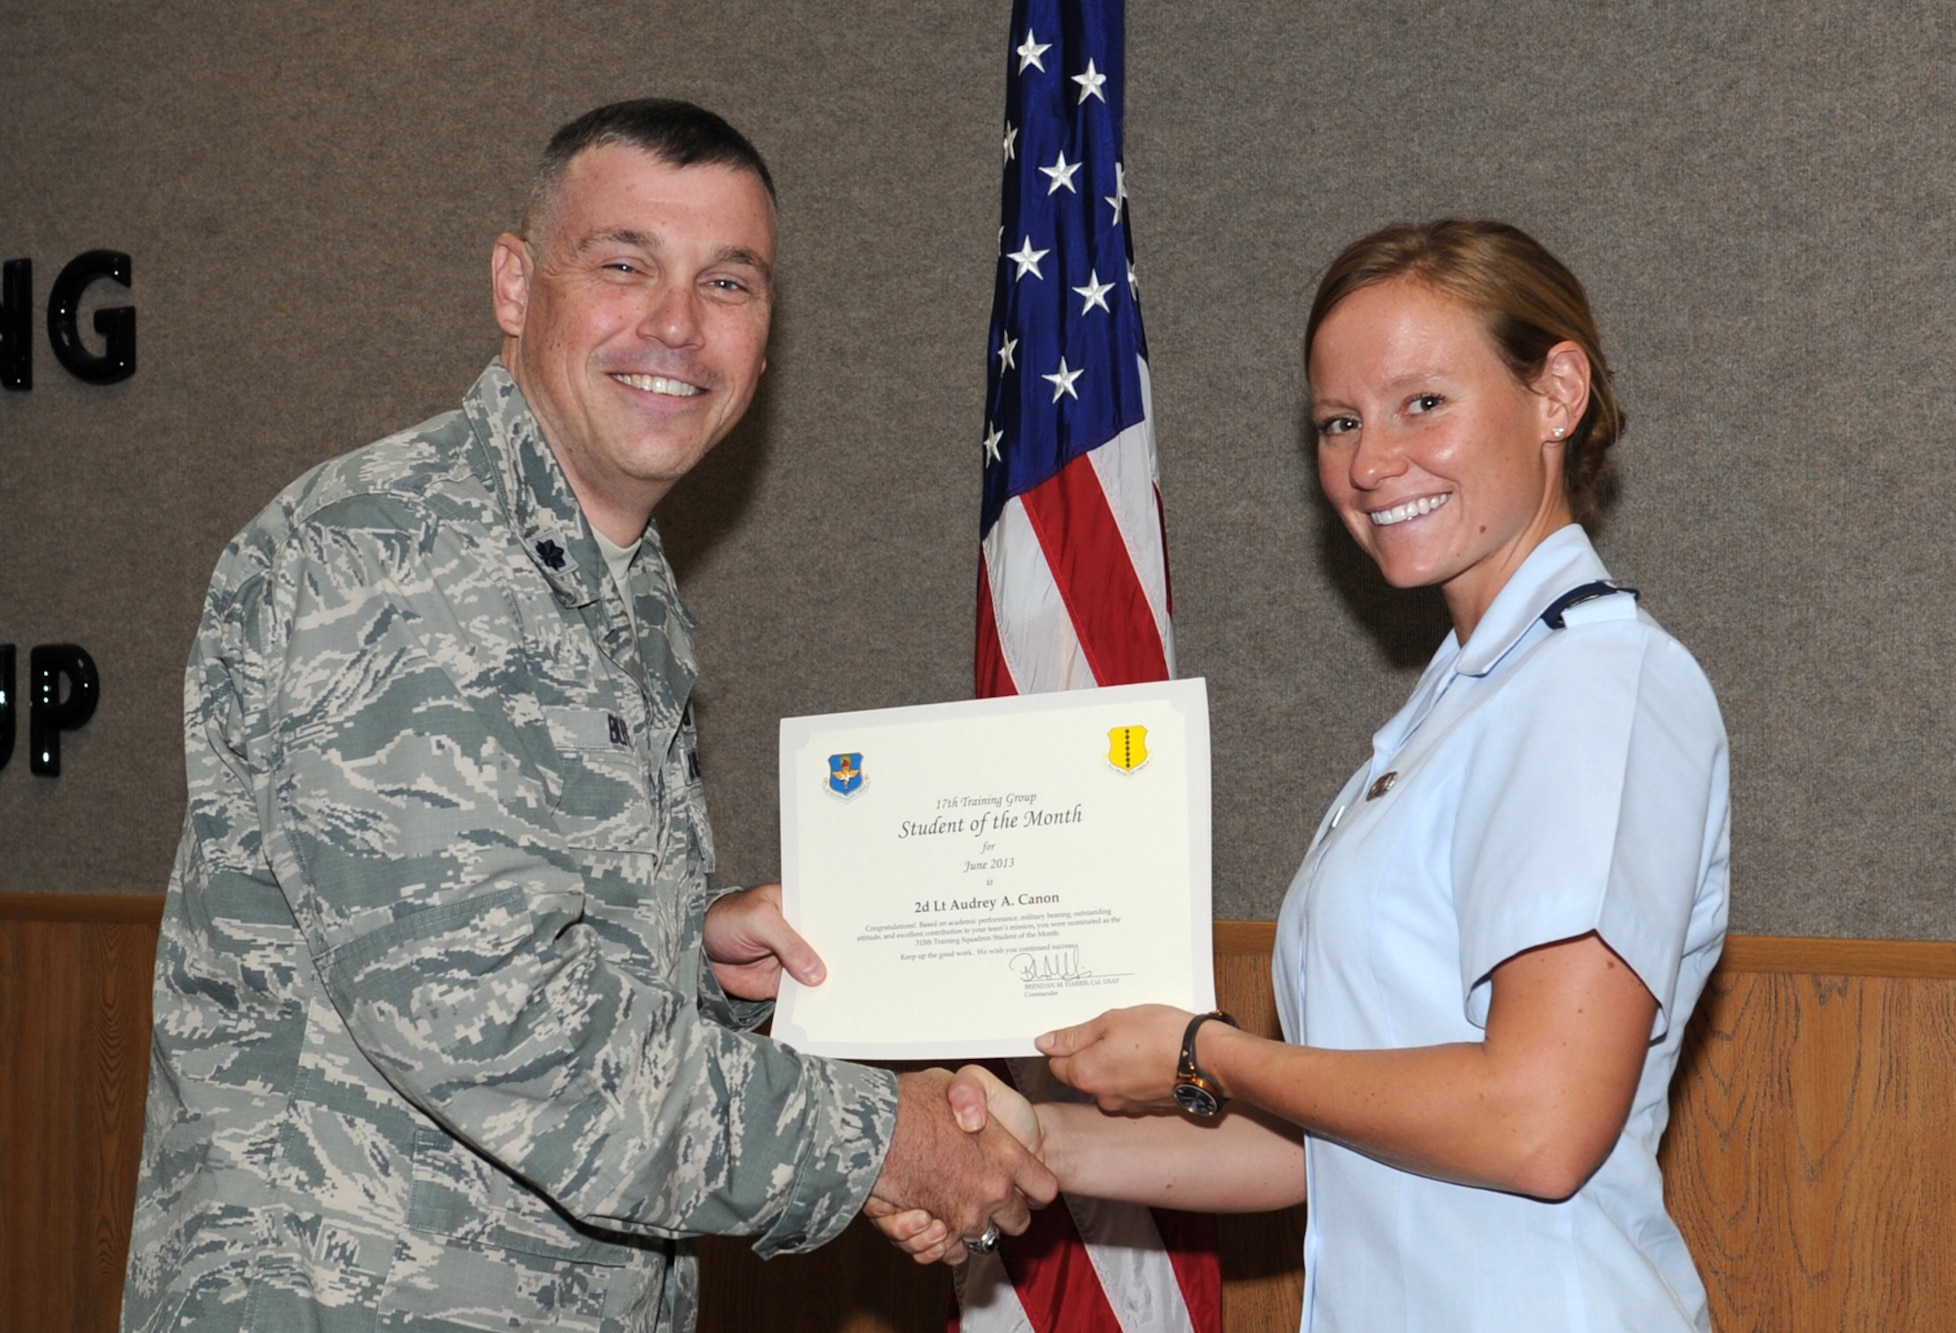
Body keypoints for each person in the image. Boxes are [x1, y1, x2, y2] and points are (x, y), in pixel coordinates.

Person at [121, 99, 1053, 1333]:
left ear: (765, 340)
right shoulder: (403, 556)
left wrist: (694, 960)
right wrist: (877, 1141)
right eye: (623, 265)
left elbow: (509, 952)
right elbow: (488, 1024)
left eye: (727, 283)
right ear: (516, 285)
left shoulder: (608, 589)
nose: (674, 325)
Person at [879, 219, 1730, 1331]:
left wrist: (1203, 1052)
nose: (1370, 463)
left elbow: (1536, 1120)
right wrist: (1036, 1141)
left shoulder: (1595, 685)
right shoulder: (1460, 702)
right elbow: (1324, 1144)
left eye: (1422, 403)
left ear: (1554, 392)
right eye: (1339, 421)